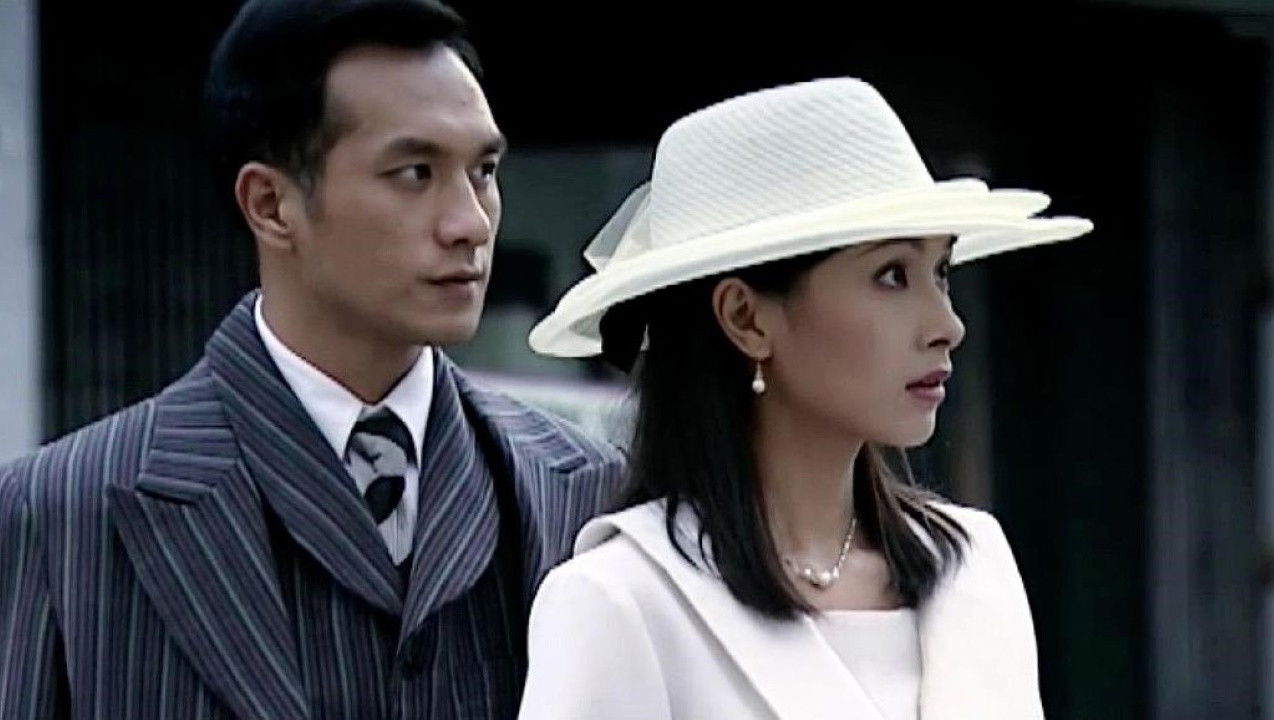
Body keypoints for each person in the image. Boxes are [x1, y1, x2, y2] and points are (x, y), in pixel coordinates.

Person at [0, 1, 624, 718]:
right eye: (416, 172)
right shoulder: (60, 517)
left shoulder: (588, 494)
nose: (471, 223)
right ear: (270, 204)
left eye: (483, 171)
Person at [519, 78, 1093, 720]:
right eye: (892, 276)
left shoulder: (971, 567)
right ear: (746, 317)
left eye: (940, 272)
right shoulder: (622, 601)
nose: (946, 324)